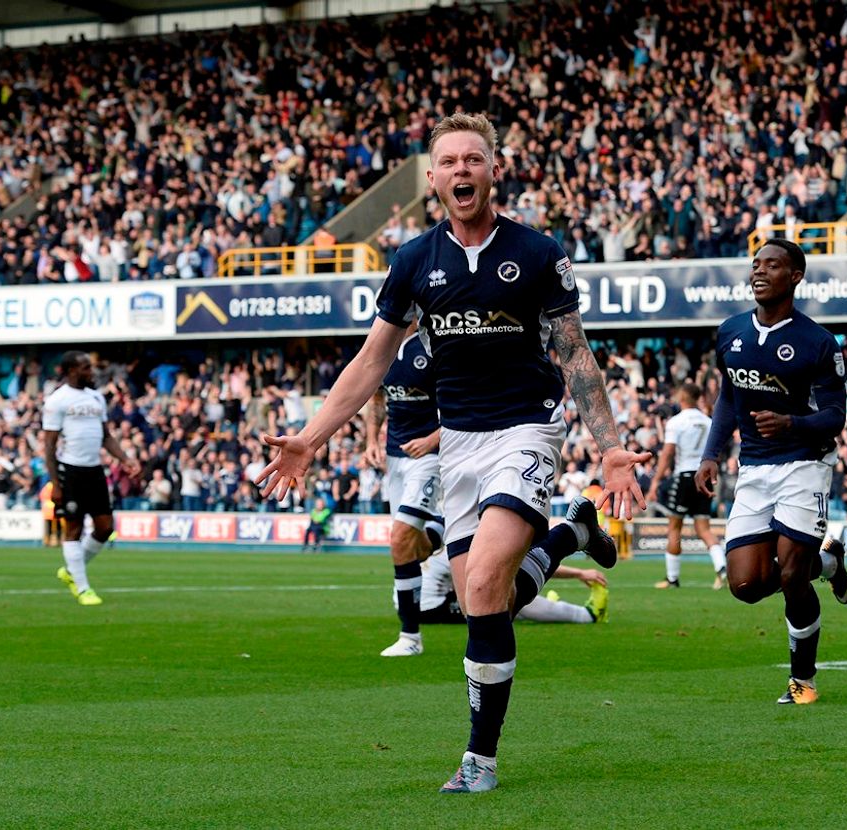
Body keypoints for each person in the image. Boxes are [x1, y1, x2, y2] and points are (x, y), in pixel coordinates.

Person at [255, 112, 647, 793]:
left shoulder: (535, 252)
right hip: (457, 443)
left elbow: (576, 355)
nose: (462, 170)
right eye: (449, 161)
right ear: (431, 177)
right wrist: (311, 439)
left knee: (489, 581)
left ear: (494, 169)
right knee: (476, 601)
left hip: (527, 430)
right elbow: (372, 360)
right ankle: (571, 535)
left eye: (474, 158)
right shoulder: (412, 262)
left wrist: (611, 448)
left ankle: (478, 759)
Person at [694, 239, 847, 707]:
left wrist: (792, 423)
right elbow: (729, 396)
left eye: (773, 265)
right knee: (744, 585)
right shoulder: (730, 333)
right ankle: (828, 563)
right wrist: (711, 452)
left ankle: (802, 680)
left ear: (795, 276)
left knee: (790, 577)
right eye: (756, 264)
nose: (760, 272)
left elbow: (836, 415)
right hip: (754, 468)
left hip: (806, 464)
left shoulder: (818, 343)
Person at [365, 327, 447, 657]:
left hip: (427, 458)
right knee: (409, 546)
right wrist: (371, 441)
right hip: (393, 458)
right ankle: (444, 529)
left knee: (399, 540)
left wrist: (432, 440)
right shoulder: (381, 345)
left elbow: (461, 401)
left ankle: (410, 638)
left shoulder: (435, 345)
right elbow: (375, 397)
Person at [41, 351, 141, 606]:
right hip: (70, 471)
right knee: (73, 528)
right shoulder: (57, 400)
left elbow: (106, 436)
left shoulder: (96, 397)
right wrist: (55, 483)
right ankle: (83, 588)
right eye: (86, 368)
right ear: (71, 371)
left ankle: (73, 571)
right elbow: (49, 446)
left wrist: (125, 459)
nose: (91, 372)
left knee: (105, 527)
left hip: (94, 470)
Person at [645, 383, 728, 589]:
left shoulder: (676, 422)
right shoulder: (709, 421)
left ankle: (672, 578)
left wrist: (655, 482)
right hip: (705, 475)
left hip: (684, 476)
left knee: (675, 527)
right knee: (704, 528)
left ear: (682, 397)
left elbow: (667, 454)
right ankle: (722, 567)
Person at [418, 553, 609, 625]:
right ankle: (587, 615)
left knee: (496, 595)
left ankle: (551, 607)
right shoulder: (470, 540)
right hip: (433, 608)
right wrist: (579, 573)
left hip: (414, 605)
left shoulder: (453, 532)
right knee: (503, 595)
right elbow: (527, 565)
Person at [40, 480, 61, 547]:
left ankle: (47, 541)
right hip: (55, 508)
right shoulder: (55, 486)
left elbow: (41, 496)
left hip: (47, 510)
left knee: (48, 527)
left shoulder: (46, 487)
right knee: (58, 526)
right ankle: (58, 540)